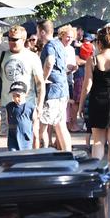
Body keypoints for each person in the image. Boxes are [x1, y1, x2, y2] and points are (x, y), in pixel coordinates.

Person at [78, 26, 110, 186]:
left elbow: (86, 86)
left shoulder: (92, 60)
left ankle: (98, 178)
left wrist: (80, 106)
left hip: (97, 101)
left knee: (98, 141)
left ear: (98, 43)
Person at [37, 20, 73, 151]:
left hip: (53, 91)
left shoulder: (49, 46)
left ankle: (43, 156)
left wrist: (43, 79)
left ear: (42, 32)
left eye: (37, 31)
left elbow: (50, 61)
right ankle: (67, 154)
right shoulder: (59, 44)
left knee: (43, 127)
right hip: (63, 90)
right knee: (60, 125)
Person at [6, 81, 37, 151]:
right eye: (13, 96)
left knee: (25, 158)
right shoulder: (9, 106)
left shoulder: (31, 107)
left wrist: (36, 144)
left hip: (26, 139)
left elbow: (35, 123)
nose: (16, 98)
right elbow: (8, 121)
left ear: (25, 94)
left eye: (18, 95)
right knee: (13, 156)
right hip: (13, 139)